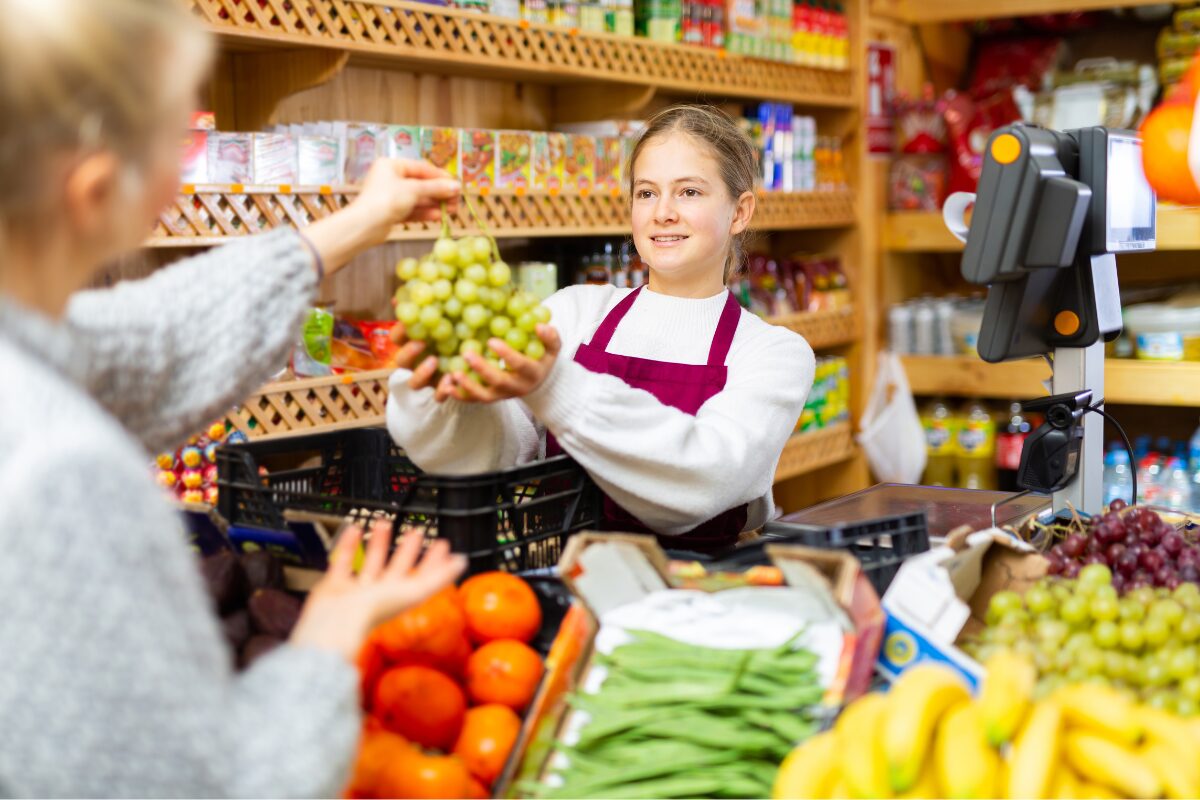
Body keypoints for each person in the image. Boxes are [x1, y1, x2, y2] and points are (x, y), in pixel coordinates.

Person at [0, 0, 468, 795]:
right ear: (98, 191)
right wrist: (333, 630)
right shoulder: (64, 478)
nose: (186, 168)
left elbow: (140, 343)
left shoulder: (31, 354)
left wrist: (358, 222)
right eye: (170, 141)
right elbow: (203, 784)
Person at [388, 105, 816, 554]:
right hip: (561, 587)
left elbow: (702, 482)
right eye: (647, 193)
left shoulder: (773, 354)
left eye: (689, 192)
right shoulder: (575, 313)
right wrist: (441, 396)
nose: (663, 212)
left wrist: (556, 388)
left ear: (739, 212)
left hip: (695, 599)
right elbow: (491, 456)